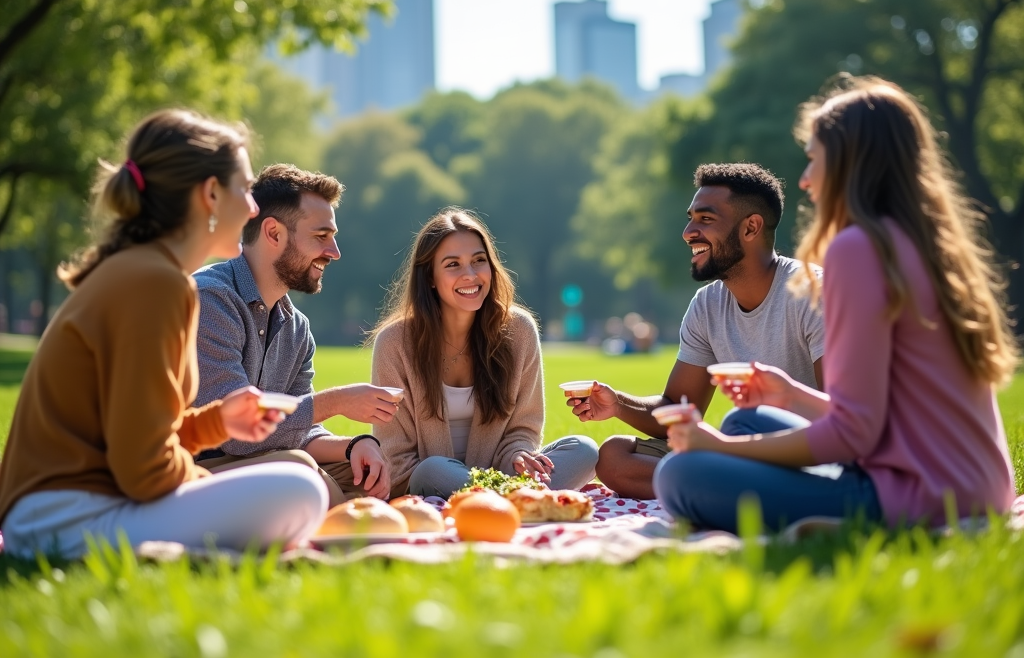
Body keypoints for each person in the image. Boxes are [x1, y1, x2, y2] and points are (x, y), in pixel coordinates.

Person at [654, 77, 1018, 532]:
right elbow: (884, 417)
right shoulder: (929, 244)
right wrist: (788, 393)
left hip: (920, 497)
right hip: (980, 486)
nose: (805, 179)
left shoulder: (857, 249)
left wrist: (716, 449)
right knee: (746, 419)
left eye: (813, 159)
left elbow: (853, 433)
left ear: (850, 163)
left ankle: (838, 517)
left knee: (679, 474)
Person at [0, 110, 327, 557]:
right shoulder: (156, 282)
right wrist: (213, 490)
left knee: (294, 484)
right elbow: (144, 472)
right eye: (246, 189)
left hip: (61, 512)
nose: (253, 208)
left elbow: (139, 439)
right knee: (298, 490)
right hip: (64, 520)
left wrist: (217, 422)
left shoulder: (147, 272)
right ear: (210, 194)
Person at [565, 163, 824, 500]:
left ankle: (726, 485)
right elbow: (678, 406)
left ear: (751, 228)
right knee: (615, 457)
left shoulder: (812, 293)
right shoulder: (708, 304)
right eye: (690, 218)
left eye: (705, 219)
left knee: (740, 424)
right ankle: (737, 486)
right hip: (742, 452)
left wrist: (735, 446)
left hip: (809, 453)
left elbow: (843, 416)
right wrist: (618, 405)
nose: (688, 232)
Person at [192, 164, 398, 506]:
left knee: (363, 474)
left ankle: (343, 510)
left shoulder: (296, 327)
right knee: (299, 468)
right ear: (274, 234)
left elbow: (296, 429)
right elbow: (240, 437)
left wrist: (353, 446)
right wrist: (338, 402)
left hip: (255, 467)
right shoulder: (211, 300)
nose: (334, 252)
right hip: (190, 473)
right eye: (321, 236)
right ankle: (337, 519)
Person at [370, 207, 599, 498]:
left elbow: (524, 428)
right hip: (430, 478)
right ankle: (516, 499)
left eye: (479, 261)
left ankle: (497, 499)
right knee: (433, 469)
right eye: (453, 265)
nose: (470, 275)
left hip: (502, 473)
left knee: (585, 451)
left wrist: (519, 455)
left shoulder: (519, 331)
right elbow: (395, 454)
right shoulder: (394, 343)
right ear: (429, 276)